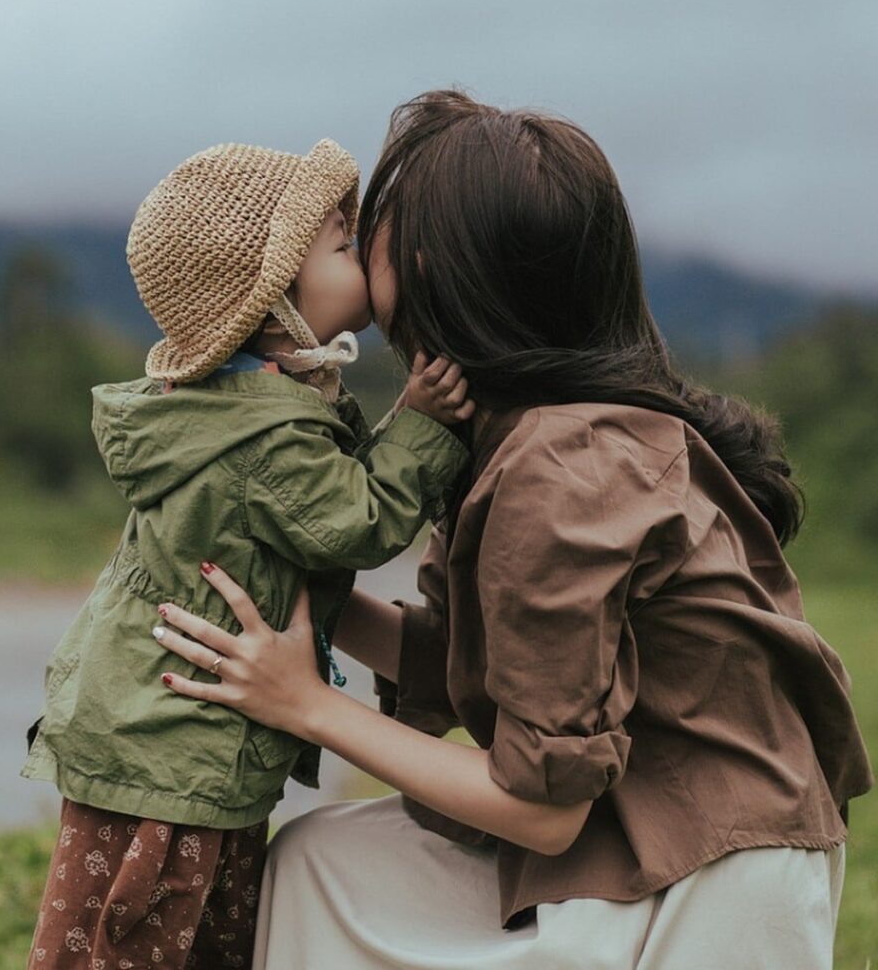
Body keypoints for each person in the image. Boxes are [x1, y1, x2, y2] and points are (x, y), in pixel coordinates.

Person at [151, 90, 874, 969]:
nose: (351, 241)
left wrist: (306, 702)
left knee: (329, 872)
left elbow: (540, 803)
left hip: (710, 878)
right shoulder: (521, 430)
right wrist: (288, 591)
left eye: (364, 229)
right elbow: (471, 662)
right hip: (641, 827)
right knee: (318, 866)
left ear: (427, 264)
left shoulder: (560, 465)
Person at [21, 137, 474, 969]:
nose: (361, 250)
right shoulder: (258, 432)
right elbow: (357, 521)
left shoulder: (250, 406)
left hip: (175, 741)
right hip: (171, 752)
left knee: (197, 935)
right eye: (342, 245)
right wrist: (424, 427)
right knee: (142, 939)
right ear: (273, 304)